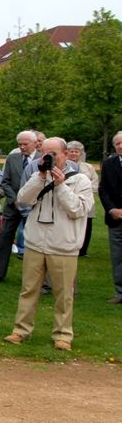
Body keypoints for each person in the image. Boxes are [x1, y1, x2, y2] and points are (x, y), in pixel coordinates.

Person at [3, 138, 94, 350]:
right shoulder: (38, 176)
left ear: (65, 154)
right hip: (36, 242)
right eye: (44, 153)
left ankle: (63, 335)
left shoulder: (80, 180)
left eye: (52, 153)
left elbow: (78, 210)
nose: (48, 158)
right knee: (28, 290)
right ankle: (21, 330)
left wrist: (61, 185)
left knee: (63, 293)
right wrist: (40, 178)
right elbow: (23, 199)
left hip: (63, 244)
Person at [0, 131, 39, 283]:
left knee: (35, 242)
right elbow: (5, 181)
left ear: (35, 144)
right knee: (4, 238)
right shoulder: (12, 158)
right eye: (19, 144)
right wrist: (15, 199)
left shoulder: (42, 159)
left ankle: (34, 277)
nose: (22, 147)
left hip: (34, 207)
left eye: (25, 144)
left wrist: (27, 200)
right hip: (12, 205)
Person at [99, 131, 122, 305]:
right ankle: (120, 292)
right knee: (118, 257)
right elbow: (103, 189)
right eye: (118, 143)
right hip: (115, 218)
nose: (121, 146)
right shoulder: (108, 164)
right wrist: (111, 209)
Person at [66, 140, 99, 256]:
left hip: (86, 200)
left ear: (81, 153)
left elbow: (95, 182)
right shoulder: (64, 166)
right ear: (67, 152)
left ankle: (83, 250)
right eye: (71, 151)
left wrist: (85, 193)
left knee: (87, 225)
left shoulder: (88, 167)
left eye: (76, 152)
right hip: (68, 200)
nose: (74, 154)